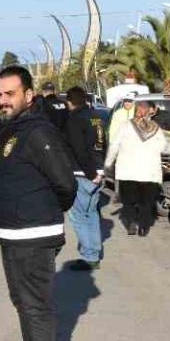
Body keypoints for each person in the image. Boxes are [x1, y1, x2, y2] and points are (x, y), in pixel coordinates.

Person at [0, 65, 78, 341]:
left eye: (10, 94)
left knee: (36, 309)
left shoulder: (39, 131)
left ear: (29, 95)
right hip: (11, 235)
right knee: (22, 304)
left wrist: (42, 213)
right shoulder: (7, 129)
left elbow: (65, 184)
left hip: (34, 235)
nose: (3, 100)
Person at [104, 98, 170, 237]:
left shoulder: (125, 126)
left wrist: (108, 163)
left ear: (136, 111)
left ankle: (131, 223)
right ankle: (143, 227)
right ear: (149, 112)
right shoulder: (156, 128)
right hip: (149, 173)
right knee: (146, 202)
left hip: (127, 171)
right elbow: (164, 146)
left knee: (129, 201)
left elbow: (114, 145)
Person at [62, 86, 106, 270]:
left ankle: (89, 256)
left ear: (70, 101)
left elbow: (79, 150)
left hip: (83, 174)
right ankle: (94, 251)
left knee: (78, 216)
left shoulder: (75, 119)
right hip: (97, 171)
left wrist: (91, 173)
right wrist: (100, 171)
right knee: (92, 214)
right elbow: (103, 143)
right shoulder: (96, 116)